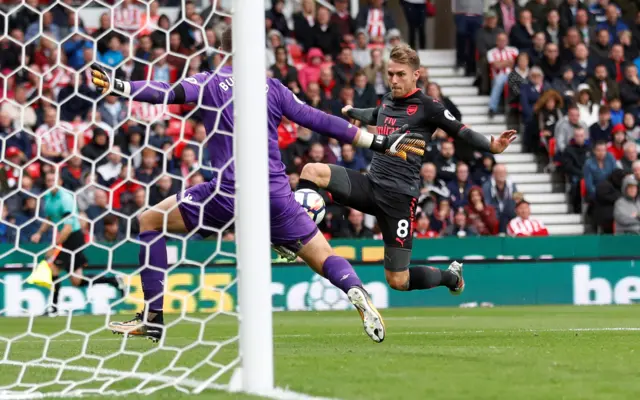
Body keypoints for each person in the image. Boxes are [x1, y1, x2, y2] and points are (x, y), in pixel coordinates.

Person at [91, 28, 426, 344]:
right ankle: (355, 289)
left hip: (227, 194)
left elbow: (167, 93)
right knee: (323, 256)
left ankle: (153, 316)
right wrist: (377, 142)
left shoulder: (210, 82)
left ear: (221, 52)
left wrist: (120, 86)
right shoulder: (274, 87)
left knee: (150, 221)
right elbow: (320, 120)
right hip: (276, 194)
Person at [299, 44, 515, 295]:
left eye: (400, 74)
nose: (393, 79)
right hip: (370, 185)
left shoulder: (429, 106)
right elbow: (378, 114)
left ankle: (450, 277)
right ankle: (295, 235)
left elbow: (460, 130)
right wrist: (353, 112)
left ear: (416, 74)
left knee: (398, 281)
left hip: (399, 199)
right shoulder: (389, 99)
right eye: (390, 73)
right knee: (312, 171)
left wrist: (492, 145)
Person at [30, 171, 125, 316]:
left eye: (53, 180)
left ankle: (53, 308)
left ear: (60, 182)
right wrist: (39, 233)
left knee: (54, 269)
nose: (50, 183)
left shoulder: (66, 198)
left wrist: (54, 247)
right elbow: (50, 217)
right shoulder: (48, 197)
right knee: (77, 281)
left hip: (73, 238)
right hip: (65, 237)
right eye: (48, 181)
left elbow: (67, 227)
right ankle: (112, 280)